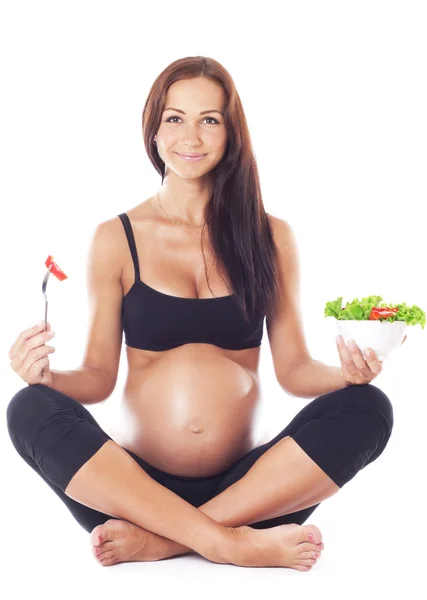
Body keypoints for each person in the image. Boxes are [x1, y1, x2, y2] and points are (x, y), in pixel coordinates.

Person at [6, 56, 394, 571]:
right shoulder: (116, 238)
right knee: (26, 408)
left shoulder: (270, 237)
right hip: (133, 488)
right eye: (175, 118)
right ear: (154, 129)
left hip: (252, 489)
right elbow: (99, 379)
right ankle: (229, 542)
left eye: (209, 119)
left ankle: (167, 540)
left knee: (371, 407)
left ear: (231, 132)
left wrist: (344, 376)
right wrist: (45, 375)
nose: (191, 135)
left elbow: (295, 369)